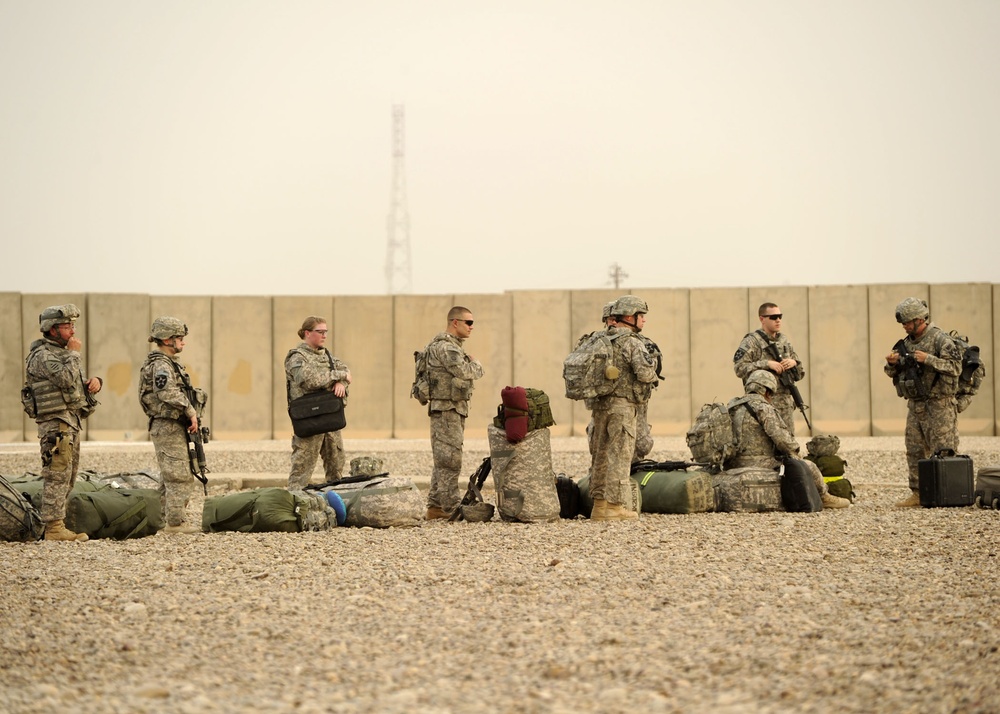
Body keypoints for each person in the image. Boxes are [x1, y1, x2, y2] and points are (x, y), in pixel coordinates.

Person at [24, 304, 103, 541]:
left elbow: (73, 384)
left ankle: (57, 524)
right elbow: (64, 377)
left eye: (72, 325)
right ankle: (53, 528)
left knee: (69, 474)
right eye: (67, 326)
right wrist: (74, 354)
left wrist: (94, 382)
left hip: (69, 421)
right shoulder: (44, 356)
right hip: (55, 423)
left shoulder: (61, 353)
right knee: (56, 474)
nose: (72, 331)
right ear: (52, 329)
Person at [726, 370, 850, 508]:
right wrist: (796, 453)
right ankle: (824, 497)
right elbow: (782, 440)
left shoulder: (732, 407)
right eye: (771, 394)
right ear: (767, 391)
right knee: (810, 466)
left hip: (732, 462)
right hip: (758, 462)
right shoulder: (763, 408)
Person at [883, 297, 962, 508]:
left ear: (920, 320)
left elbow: (955, 368)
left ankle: (947, 493)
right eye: (903, 323)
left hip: (940, 405)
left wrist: (928, 359)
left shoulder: (941, 340)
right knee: (915, 449)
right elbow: (892, 372)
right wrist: (892, 364)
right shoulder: (905, 344)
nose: (905, 326)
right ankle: (918, 493)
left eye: (908, 322)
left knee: (944, 450)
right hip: (915, 405)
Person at [588, 295, 658, 521]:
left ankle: (599, 506)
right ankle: (615, 507)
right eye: (641, 316)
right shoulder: (632, 342)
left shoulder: (598, 339)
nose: (643, 321)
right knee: (619, 456)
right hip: (622, 407)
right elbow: (646, 373)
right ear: (630, 317)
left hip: (599, 406)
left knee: (600, 455)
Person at [138, 317, 207, 534]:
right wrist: (189, 410)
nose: (183, 343)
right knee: (178, 475)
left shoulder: (168, 362)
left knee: (169, 475)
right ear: (168, 339)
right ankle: (175, 524)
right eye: (180, 338)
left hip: (173, 424)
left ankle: (158, 521)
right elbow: (166, 392)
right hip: (167, 425)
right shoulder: (160, 364)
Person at [422, 306, 484, 519]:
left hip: (451, 408)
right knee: (450, 459)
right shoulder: (448, 348)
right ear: (454, 322)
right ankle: (451, 508)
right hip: (447, 410)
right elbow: (465, 372)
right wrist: (476, 363)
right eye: (468, 322)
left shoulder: (449, 346)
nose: (471, 327)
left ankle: (436, 506)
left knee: (443, 458)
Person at [285, 316, 352, 490]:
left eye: (325, 332)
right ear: (307, 333)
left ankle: (335, 507)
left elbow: (346, 370)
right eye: (320, 332)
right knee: (301, 470)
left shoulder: (327, 355)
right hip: (309, 420)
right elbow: (310, 381)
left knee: (336, 468)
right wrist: (338, 376)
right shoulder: (297, 358)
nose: (324, 336)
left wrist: (341, 383)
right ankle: (294, 506)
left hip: (330, 419)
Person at [733, 302, 804, 434]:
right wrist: (766, 364)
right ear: (762, 319)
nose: (778, 320)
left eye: (780, 316)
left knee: (788, 446)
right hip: (763, 404)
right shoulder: (751, 341)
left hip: (785, 406)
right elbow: (739, 368)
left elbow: (799, 374)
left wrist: (793, 363)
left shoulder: (784, 341)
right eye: (773, 317)